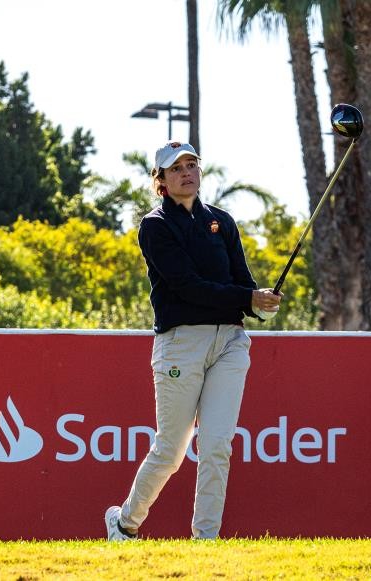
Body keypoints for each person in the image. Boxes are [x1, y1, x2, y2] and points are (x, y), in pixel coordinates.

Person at [105, 141, 282, 541]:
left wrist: (262, 302)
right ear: (162, 181)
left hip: (231, 344)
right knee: (171, 450)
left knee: (218, 446)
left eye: (192, 164)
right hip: (180, 343)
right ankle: (125, 523)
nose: (187, 172)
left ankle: (206, 541)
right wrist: (246, 299)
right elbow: (187, 287)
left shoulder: (222, 221)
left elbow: (242, 284)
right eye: (176, 168)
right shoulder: (155, 226)